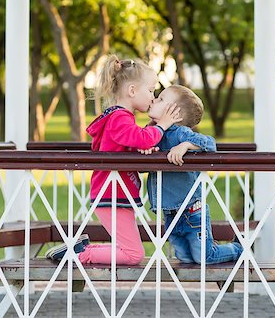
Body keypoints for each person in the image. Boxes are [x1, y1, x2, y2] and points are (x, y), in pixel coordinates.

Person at [46, 55, 182, 264]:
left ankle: (80, 249)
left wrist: (141, 148)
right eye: (150, 90)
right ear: (132, 91)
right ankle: (80, 254)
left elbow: (135, 141)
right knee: (133, 254)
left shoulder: (122, 118)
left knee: (129, 250)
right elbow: (142, 138)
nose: (153, 97)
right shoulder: (120, 118)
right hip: (111, 195)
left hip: (117, 195)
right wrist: (161, 126)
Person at [145, 85, 243, 265]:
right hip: (170, 215)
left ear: (176, 115)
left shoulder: (180, 133)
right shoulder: (152, 134)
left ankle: (239, 248)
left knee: (204, 257)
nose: (153, 100)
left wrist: (186, 145)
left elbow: (210, 143)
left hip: (192, 212)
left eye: (160, 99)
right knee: (184, 258)